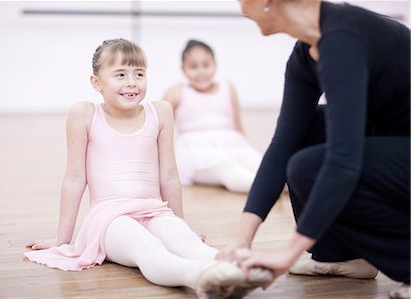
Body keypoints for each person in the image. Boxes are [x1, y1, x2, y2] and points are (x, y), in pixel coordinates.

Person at [23, 38, 272, 298]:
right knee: (148, 249)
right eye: (120, 74)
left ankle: (239, 270)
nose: (132, 82)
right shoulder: (84, 114)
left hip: (153, 210)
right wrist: (62, 239)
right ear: (96, 82)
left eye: (139, 74)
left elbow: (169, 175)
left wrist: (180, 224)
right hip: (110, 218)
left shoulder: (160, 112)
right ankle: (200, 277)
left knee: (185, 241)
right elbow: (74, 178)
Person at [217, 1, 410, 298]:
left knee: (310, 167)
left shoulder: (342, 37)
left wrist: (287, 254)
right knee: (308, 129)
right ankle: (340, 257)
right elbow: (282, 145)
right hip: (393, 144)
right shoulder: (305, 56)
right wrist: (241, 241)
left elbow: (343, 162)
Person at [163, 39, 262, 193]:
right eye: (193, 66)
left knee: (260, 164)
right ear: (183, 69)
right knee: (225, 166)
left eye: (206, 65)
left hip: (233, 144)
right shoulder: (177, 91)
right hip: (196, 151)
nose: (201, 71)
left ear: (214, 64)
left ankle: (280, 184)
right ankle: (268, 188)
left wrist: (245, 145)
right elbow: (161, 127)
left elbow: (237, 124)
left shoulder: (228, 88)